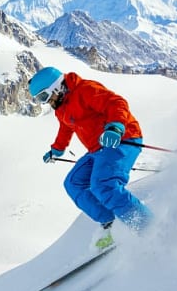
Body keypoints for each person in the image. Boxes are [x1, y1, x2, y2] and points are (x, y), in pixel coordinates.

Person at [28, 67, 152, 249]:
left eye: (44, 97)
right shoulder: (61, 107)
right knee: (73, 183)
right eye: (40, 99)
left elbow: (116, 103)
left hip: (123, 138)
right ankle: (111, 223)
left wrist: (115, 127)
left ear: (55, 87)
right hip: (98, 148)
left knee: (103, 185)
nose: (46, 102)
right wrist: (57, 149)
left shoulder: (85, 90)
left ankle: (147, 227)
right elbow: (66, 128)